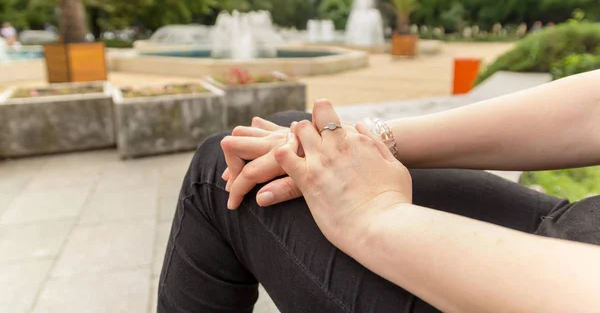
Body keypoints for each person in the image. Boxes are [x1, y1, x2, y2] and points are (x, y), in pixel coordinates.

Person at [158, 70, 600, 313]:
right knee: (293, 142)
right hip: (576, 234)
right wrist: (369, 140)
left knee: (216, 174)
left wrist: (375, 216)